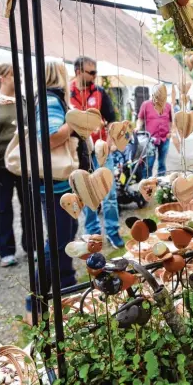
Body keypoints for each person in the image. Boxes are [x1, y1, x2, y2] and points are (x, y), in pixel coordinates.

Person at [26, 59, 87, 318]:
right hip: (56, 186)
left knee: (61, 240)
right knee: (59, 243)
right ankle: (40, 301)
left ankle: (61, 293)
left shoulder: (48, 99)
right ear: (58, 74)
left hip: (58, 185)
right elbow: (49, 138)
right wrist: (74, 122)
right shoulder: (51, 100)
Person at [70, 56, 124, 248]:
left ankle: (112, 231)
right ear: (78, 72)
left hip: (101, 151)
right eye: (91, 72)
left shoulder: (100, 92)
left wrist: (108, 145)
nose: (95, 75)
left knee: (108, 194)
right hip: (79, 153)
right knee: (85, 194)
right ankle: (92, 235)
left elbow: (112, 122)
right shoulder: (67, 94)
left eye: (95, 72)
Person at [0, 63, 27, 267]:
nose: (18, 79)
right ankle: (6, 251)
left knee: (28, 205)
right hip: (1, 164)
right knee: (4, 207)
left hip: (24, 162)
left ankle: (31, 246)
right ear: (2, 78)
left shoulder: (23, 101)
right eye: (13, 75)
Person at [136, 86, 172, 177]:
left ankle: (161, 185)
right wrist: (137, 127)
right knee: (149, 163)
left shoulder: (168, 105)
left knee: (162, 163)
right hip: (150, 139)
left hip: (164, 138)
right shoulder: (146, 104)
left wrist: (171, 132)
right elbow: (140, 119)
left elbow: (171, 121)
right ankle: (146, 185)